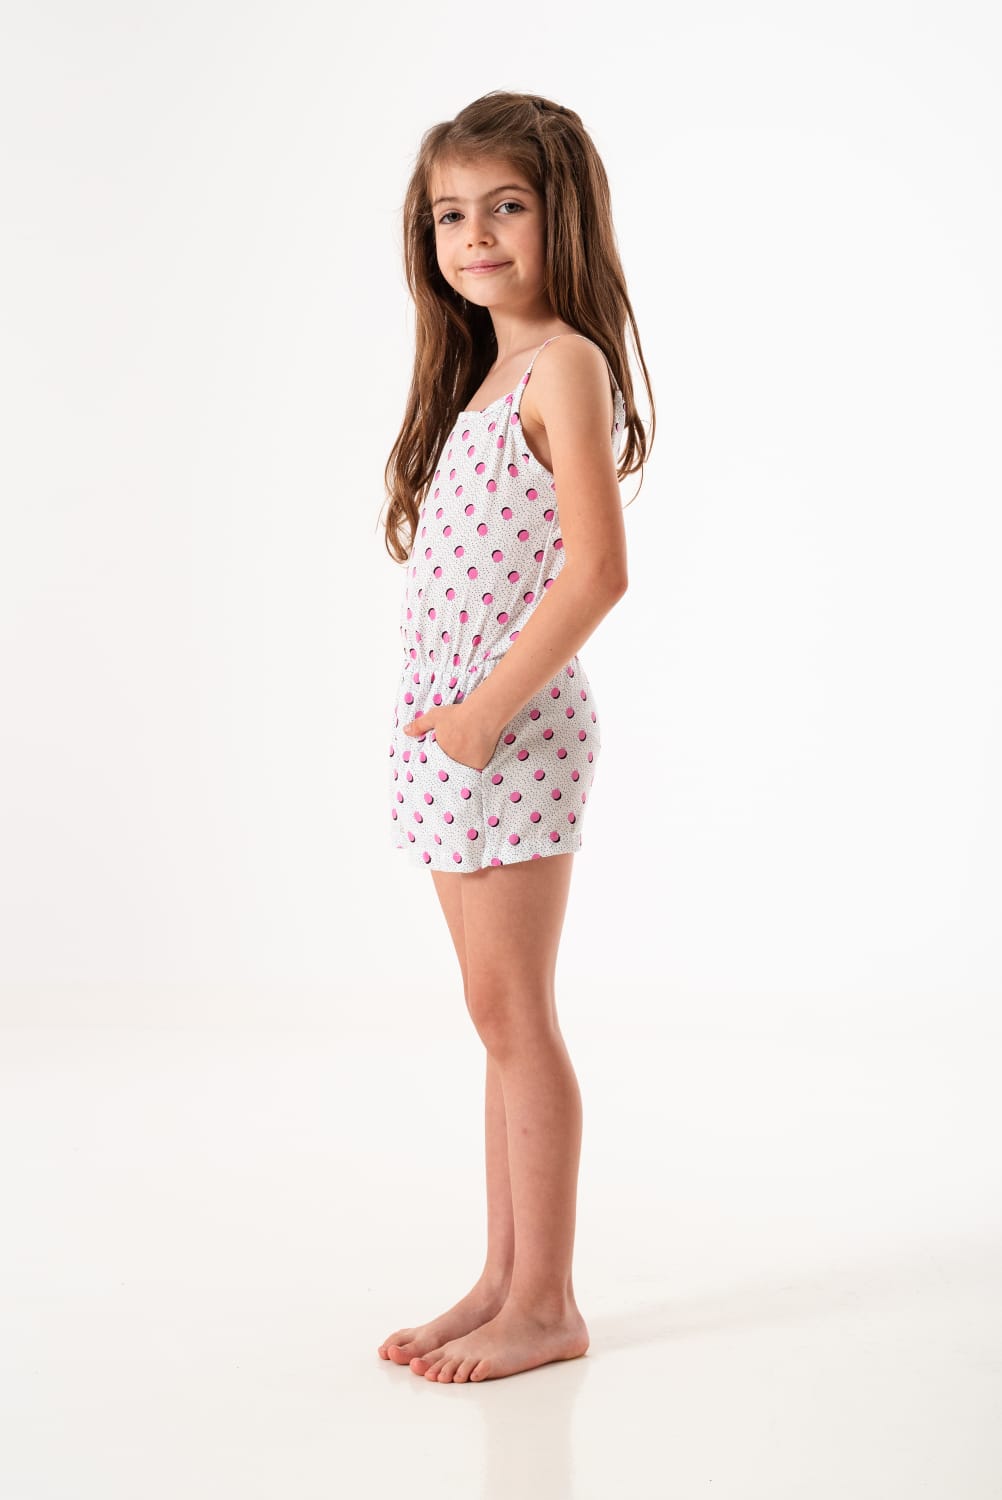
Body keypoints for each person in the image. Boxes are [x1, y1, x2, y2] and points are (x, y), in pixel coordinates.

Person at [377, 91, 655, 1383]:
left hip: (511, 738)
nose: (476, 235)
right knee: (492, 1017)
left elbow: (598, 572)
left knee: (516, 1016)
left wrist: (486, 716)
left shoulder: (565, 364)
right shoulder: (481, 375)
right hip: (454, 741)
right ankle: (500, 1278)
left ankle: (546, 1303)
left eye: (506, 207)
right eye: (451, 213)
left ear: (562, 218)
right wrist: (451, 726)